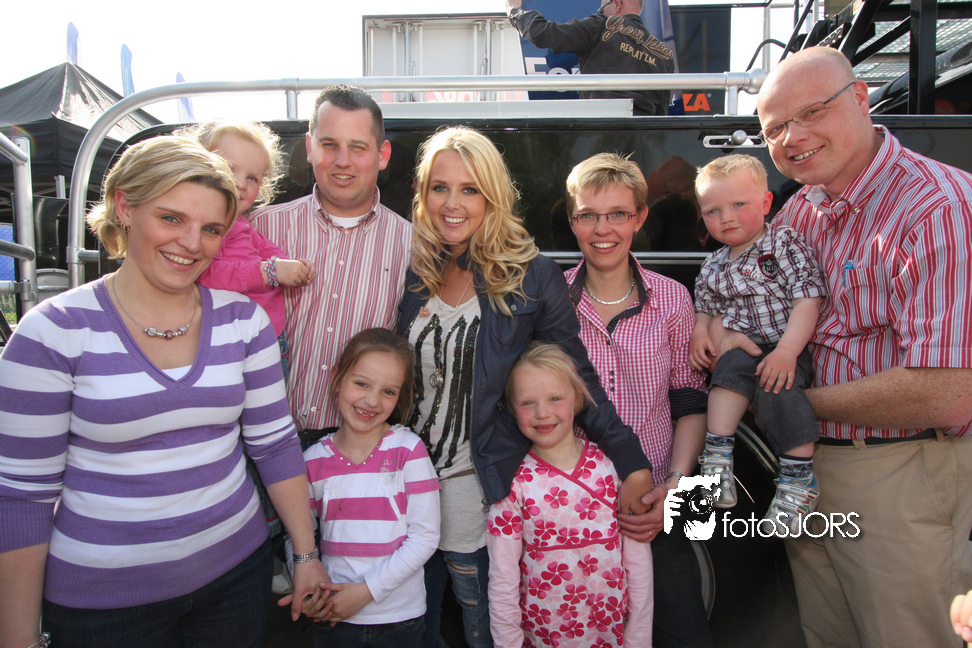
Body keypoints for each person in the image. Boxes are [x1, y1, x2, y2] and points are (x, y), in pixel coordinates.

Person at [0, 136, 327, 648]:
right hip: (103, 605)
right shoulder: (52, 332)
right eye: (171, 218)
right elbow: (22, 496)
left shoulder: (244, 322)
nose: (192, 243)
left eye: (212, 229)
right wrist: (18, 636)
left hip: (236, 579)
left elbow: (275, 444)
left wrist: (305, 555)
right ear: (125, 207)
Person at [709, 46, 972, 647]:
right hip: (803, 469)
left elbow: (950, 390)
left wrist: (788, 402)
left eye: (811, 113)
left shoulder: (938, 208)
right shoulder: (800, 212)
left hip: (897, 470)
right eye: (775, 128)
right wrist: (716, 329)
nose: (793, 138)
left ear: (860, 98)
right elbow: (749, 302)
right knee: (827, 636)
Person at [396, 126, 654, 648]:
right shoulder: (411, 267)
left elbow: (575, 375)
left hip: (476, 488)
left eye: (470, 189)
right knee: (410, 627)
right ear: (423, 194)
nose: (452, 203)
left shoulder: (532, 276)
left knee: (484, 627)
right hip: (405, 487)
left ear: (493, 195)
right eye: (440, 187)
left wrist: (631, 462)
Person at [563, 152, 712, 647]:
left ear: (640, 217)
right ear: (572, 221)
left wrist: (676, 491)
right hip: (572, 506)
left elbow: (692, 403)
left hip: (657, 503)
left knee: (684, 633)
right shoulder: (552, 301)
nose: (602, 229)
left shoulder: (673, 298)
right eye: (588, 215)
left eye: (618, 214)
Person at [250, 83, 412, 441]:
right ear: (310, 147)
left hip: (356, 448)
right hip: (262, 440)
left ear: (382, 154)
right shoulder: (260, 228)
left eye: (358, 147)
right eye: (329, 145)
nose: (342, 161)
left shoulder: (412, 246)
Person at [690, 154, 826, 535]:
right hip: (743, 346)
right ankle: (717, 457)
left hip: (785, 346)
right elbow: (705, 308)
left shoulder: (783, 243)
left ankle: (799, 481)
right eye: (713, 211)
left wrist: (787, 352)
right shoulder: (713, 264)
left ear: (766, 203)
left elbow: (807, 299)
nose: (726, 218)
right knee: (725, 374)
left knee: (779, 391)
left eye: (739, 205)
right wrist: (700, 333)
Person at [487, 341, 653, 648]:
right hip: (544, 638)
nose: (542, 413)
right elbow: (502, 579)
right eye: (527, 403)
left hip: (613, 636)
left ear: (576, 399)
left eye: (555, 398)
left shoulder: (612, 471)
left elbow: (639, 563)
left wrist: (639, 640)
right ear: (511, 407)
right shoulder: (512, 485)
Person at [295, 328, 440, 648]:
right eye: (361, 383)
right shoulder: (312, 461)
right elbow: (300, 538)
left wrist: (366, 592)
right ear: (337, 377)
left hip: (399, 618)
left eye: (388, 391)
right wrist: (307, 590)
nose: (372, 401)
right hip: (333, 616)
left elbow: (426, 536)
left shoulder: (408, 451)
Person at [185, 119, 316, 382]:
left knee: (270, 405)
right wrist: (270, 272)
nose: (240, 183)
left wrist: (292, 266)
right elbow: (208, 275)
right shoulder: (205, 227)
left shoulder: (241, 223)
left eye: (252, 178)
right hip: (229, 344)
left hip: (269, 339)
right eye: (229, 168)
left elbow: (266, 248)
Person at [506, 0, 675, 116]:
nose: (601, 12)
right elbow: (662, 113)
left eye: (602, 8)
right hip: (643, 138)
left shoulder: (603, 25)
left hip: (602, 128)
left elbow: (543, 33)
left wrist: (514, 11)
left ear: (617, 3)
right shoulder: (664, 54)